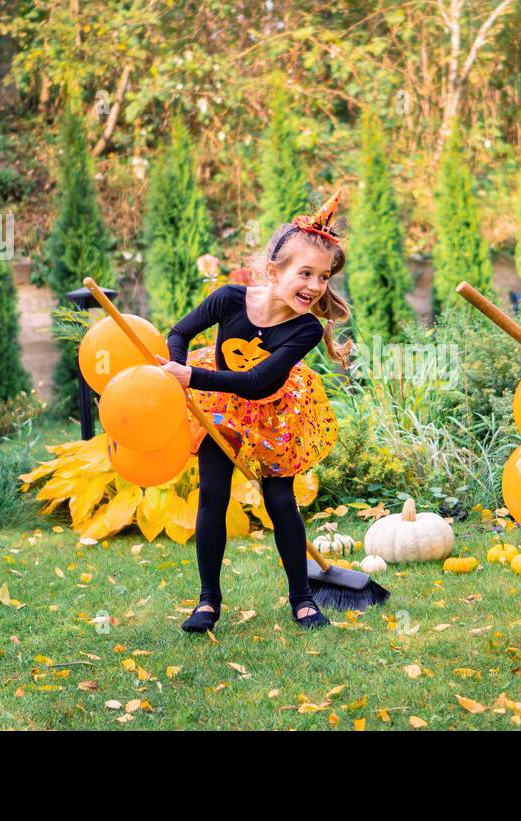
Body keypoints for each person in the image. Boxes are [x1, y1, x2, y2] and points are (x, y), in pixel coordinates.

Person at [159, 190, 352, 633]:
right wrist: (178, 365)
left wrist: (191, 378)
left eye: (323, 277)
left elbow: (256, 382)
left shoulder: (304, 328)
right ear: (273, 271)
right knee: (212, 494)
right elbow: (180, 332)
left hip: (274, 410)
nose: (316, 287)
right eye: (306, 273)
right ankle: (208, 602)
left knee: (280, 501)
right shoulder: (229, 299)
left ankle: (302, 599)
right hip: (221, 407)